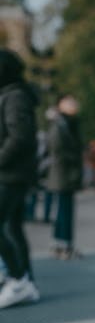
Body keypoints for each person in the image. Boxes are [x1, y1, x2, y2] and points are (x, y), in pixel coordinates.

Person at [0, 49, 39, 309]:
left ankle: (18, 279)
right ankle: (25, 280)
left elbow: (19, 138)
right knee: (13, 227)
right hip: (12, 173)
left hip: (11, 175)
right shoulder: (12, 94)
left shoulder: (14, 96)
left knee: (8, 226)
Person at [47, 94, 84, 260]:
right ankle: (63, 245)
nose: (73, 104)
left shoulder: (67, 123)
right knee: (64, 210)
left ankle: (62, 245)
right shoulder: (60, 124)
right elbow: (58, 148)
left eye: (74, 101)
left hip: (65, 173)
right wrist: (73, 159)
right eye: (69, 102)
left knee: (64, 209)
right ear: (60, 105)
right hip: (63, 173)